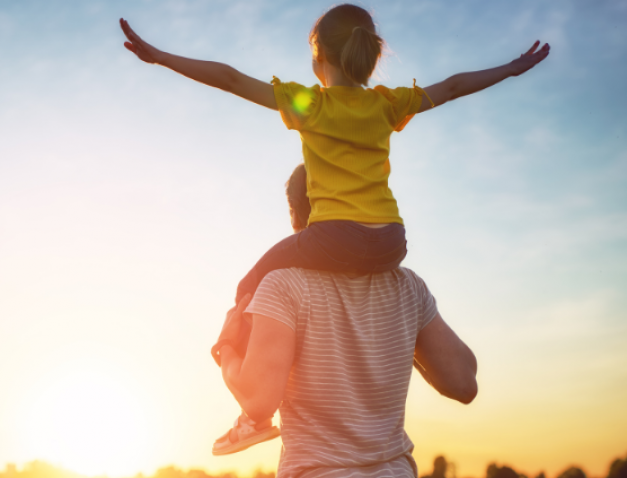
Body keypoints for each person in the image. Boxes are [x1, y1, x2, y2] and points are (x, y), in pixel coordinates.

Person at [120, 3, 546, 454]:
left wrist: (162, 57)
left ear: (318, 55)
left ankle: (253, 418)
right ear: (369, 54)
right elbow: (455, 85)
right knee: (299, 273)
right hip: (390, 241)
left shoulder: (312, 104)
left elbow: (230, 78)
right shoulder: (387, 104)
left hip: (334, 238)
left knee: (250, 284)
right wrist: (511, 69)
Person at [214, 163, 478, 476]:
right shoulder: (407, 286)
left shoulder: (283, 286)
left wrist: (225, 346)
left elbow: (258, 402)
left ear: (294, 214)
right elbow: (464, 382)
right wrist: (404, 334)